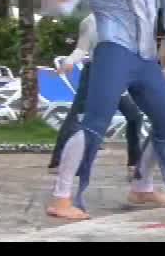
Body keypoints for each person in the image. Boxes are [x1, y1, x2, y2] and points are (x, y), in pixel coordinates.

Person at [41, 0, 165, 220]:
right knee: (94, 123)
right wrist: (57, 1)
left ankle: (142, 187)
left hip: (146, 58)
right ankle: (61, 198)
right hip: (113, 52)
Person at [47, 13, 144, 177]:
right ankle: (57, 161)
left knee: (134, 116)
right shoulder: (90, 21)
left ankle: (134, 163)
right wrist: (69, 61)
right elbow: (81, 49)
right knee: (76, 117)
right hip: (95, 72)